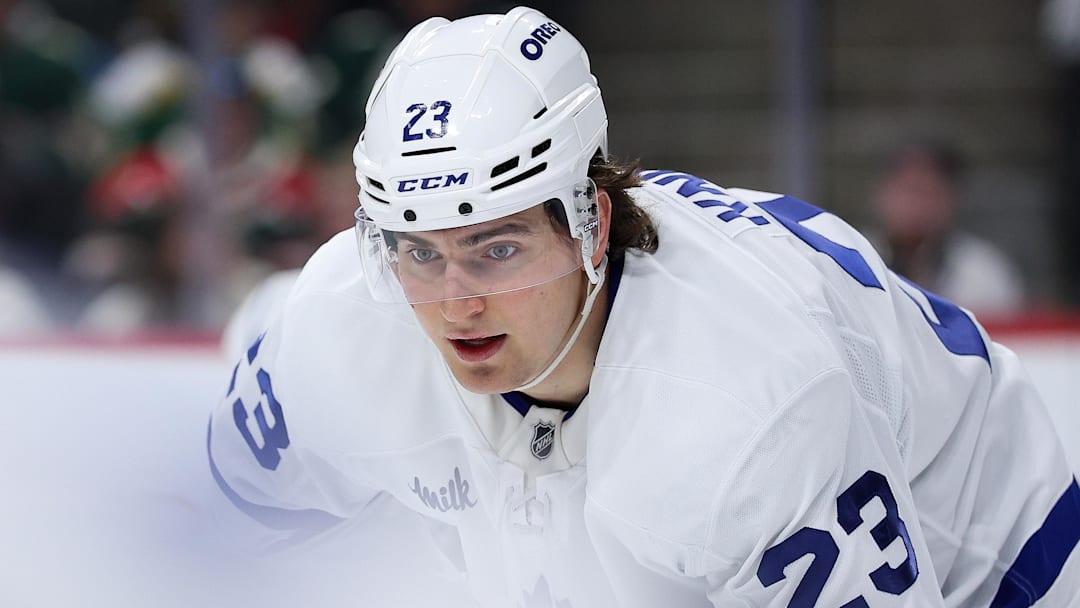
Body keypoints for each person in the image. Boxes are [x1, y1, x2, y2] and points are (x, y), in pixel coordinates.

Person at [207, 7, 1080, 606]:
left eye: (498, 248)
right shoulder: (333, 326)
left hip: (997, 560)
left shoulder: (746, 402)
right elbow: (210, 537)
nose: (456, 302)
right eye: (420, 252)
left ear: (593, 226)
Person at [868, 139, 1027, 317]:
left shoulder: (984, 272)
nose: (914, 205)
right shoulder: (855, 257)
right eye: (906, 190)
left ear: (950, 200)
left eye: (926, 192)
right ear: (880, 195)